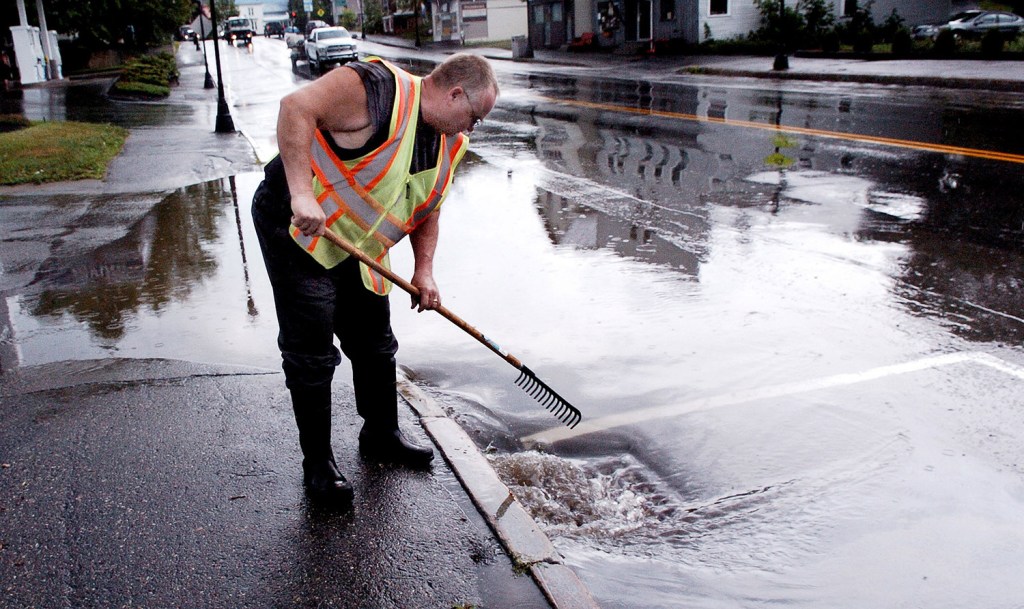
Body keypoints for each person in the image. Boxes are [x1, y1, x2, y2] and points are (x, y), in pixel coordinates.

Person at [251, 54, 498, 507]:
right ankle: (319, 466)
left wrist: (424, 270)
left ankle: (381, 435)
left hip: (357, 244)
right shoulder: (378, 88)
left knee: (375, 342)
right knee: (312, 354)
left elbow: (428, 206)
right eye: (473, 116)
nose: (471, 129)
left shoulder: (447, 143)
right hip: (298, 228)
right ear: (455, 93)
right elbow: (295, 107)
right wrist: (302, 194)